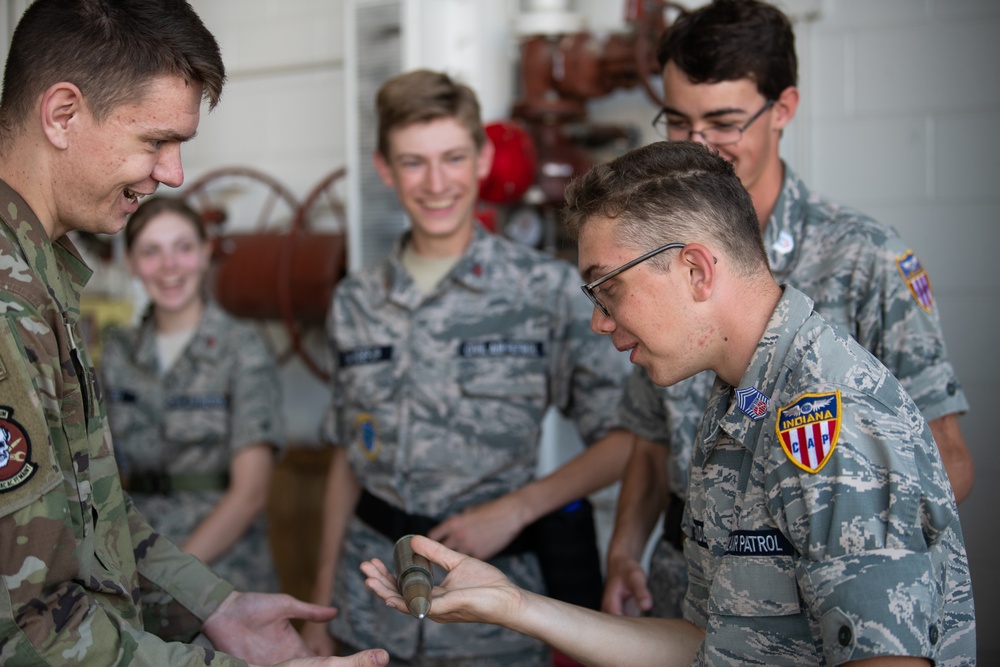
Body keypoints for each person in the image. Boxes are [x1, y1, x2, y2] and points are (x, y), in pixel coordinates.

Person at [361, 141, 977, 667]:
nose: (600, 323)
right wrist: (512, 605)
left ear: (696, 271)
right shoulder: (739, 399)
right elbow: (708, 645)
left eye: (609, 290)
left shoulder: (833, 421)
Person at [0, 1, 386, 665]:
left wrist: (216, 604)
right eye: (155, 141)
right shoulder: (10, 305)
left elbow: (90, 519)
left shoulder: (43, 278)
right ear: (62, 114)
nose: (174, 173)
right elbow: (31, 628)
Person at [603, 0, 975, 622]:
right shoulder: (653, 256)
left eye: (723, 123)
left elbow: (945, 457)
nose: (697, 149)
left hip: (805, 604)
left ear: (783, 109)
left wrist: (846, 553)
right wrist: (622, 555)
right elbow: (649, 437)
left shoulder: (866, 258)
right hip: (680, 585)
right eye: (677, 121)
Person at [301, 69, 633, 666]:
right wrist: (323, 600)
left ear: (482, 158)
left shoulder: (544, 291)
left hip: (494, 615)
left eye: (453, 157)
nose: (436, 183)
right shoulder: (356, 301)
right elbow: (349, 457)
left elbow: (630, 438)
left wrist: (519, 508)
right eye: (413, 162)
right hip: (370, 603)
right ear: (384, 168)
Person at [101, 196, 283, 596]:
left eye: (183, 248)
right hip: (134, 560)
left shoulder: (243, 350)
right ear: (131, 263)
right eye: (151, 251)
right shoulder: (118, 352)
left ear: (205, 254)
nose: (169, 266)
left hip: (224, 571)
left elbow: (250, 494)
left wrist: (172, 577)